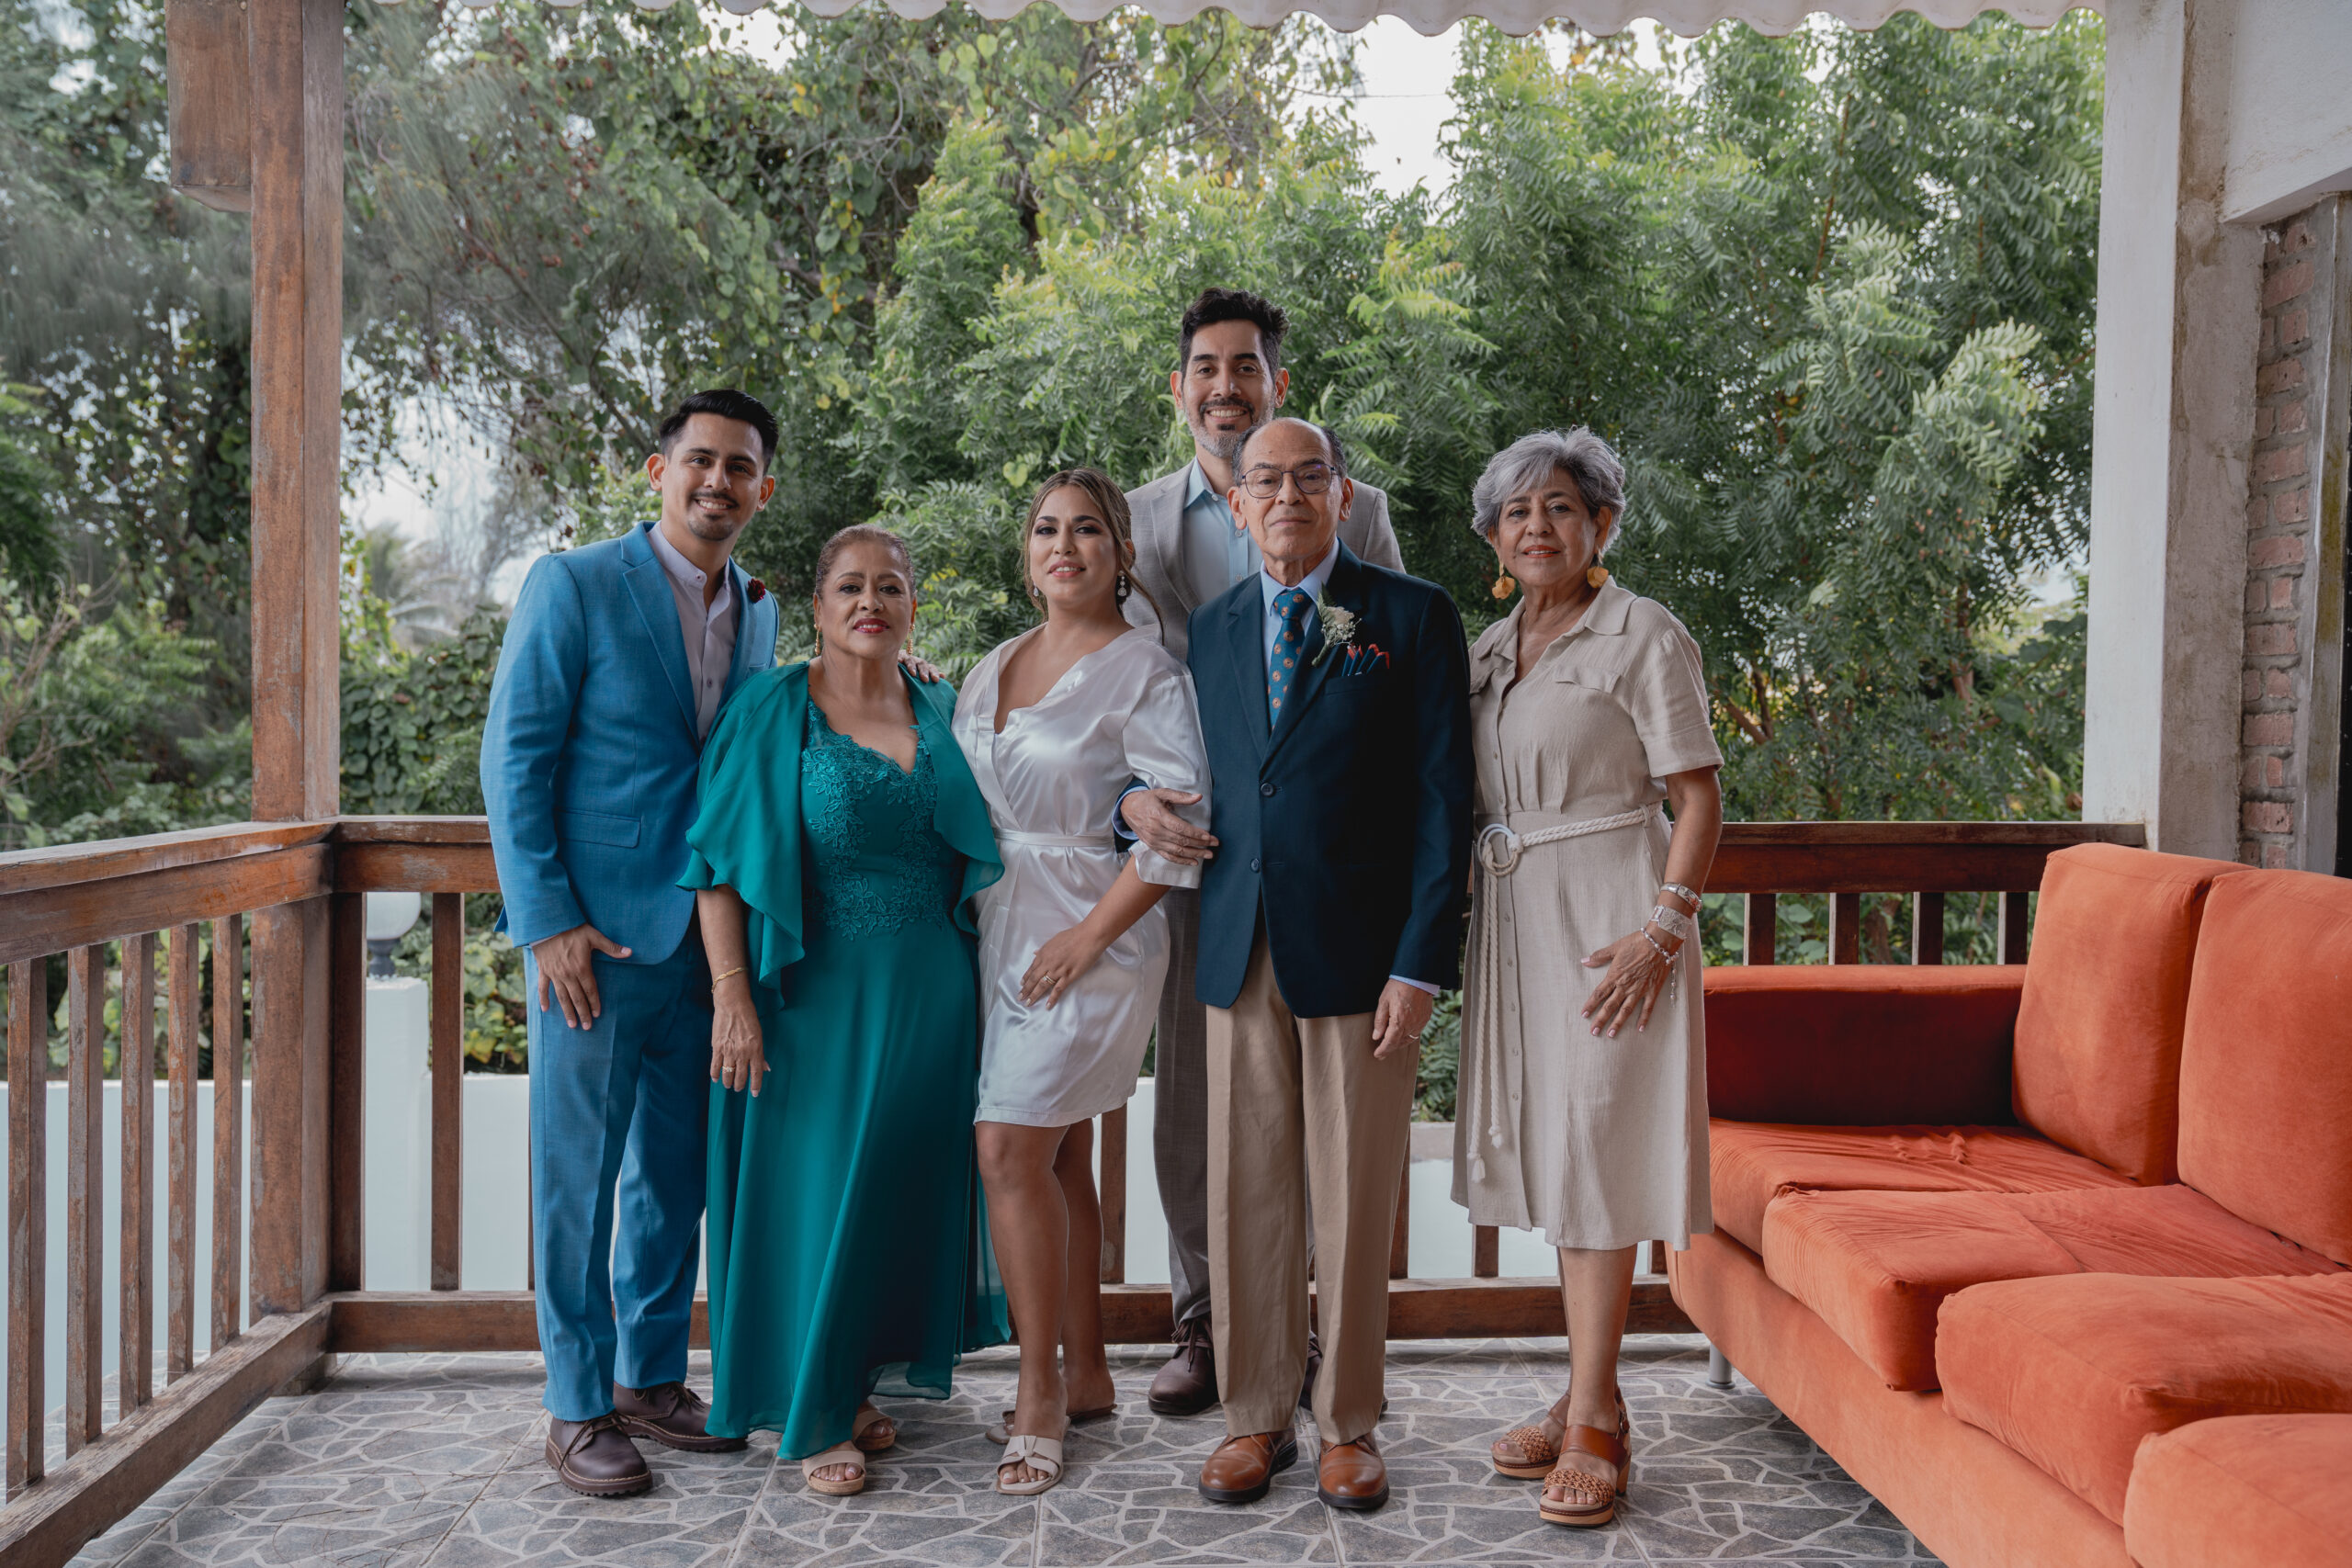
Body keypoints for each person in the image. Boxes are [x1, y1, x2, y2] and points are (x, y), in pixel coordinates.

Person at [1146, 415, 1472, 1513]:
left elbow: (1443, 804)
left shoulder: (1412, 615)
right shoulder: (1213, 627)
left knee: (1352, 1199)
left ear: (1342, 494)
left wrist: (1420, 965)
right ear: (1237, 504)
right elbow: (1177, 762)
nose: (1285, 496)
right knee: (1246, 1198)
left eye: (1307, 477)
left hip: (1365, 959)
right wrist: (1129, 801)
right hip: (1237, 948)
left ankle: (1348, 1423)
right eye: (1264, 481)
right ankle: (1254, 1417)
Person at [481, 389, 783, 1498]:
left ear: (762, 489)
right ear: (660, 471)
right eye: (700, 460)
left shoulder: (759, 610)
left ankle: (648, 1379)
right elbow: (514, 756)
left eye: (739, 468)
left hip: (708, 945)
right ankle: (574, 1404)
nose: (717, 482)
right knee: (579, 1182)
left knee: (674, 1177)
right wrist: (547, 920)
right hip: (595, 944)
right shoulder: (571, 584)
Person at [1116, 287, 1407, 1418]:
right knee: (1198, 1103)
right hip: (1196, 855)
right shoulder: (1135, 522)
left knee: (1330, 1110)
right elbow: (1100, 677)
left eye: (1245, 367)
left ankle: (1319, 1336)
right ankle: (1207, 1320)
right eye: (1206, 367)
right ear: (1178, 387)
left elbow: (1384, 650)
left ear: (1277, 383)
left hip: (1326, 864)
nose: (1225, 386)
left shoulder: (1351, 507)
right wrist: (1130, 796)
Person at [685, 525, 1009, 1497]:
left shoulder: (943, 703)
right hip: (811, 998)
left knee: (890, 1192)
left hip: (934, 997)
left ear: (912, 605)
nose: (872, 602)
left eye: (891, 587)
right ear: (819, 607)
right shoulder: (772, 707)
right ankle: (815, 1408)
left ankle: (852, 1378)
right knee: (818, 1190)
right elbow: (716, 866)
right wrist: (731, 993)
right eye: (851, 588)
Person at [1452, 429, 1724, 1529]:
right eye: (1516, 512)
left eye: (1559, 507)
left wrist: (1663, 930)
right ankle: (1581, 1390)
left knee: (1600, 1156)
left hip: (1616, 923)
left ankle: (1597, 1420)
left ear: (1600, 523)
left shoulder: (1642, 633)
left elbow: (1697, 798)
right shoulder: (1487, 650)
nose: (1536, 527)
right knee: (1561, 1158)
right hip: (1517, 920)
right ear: (1492, 536)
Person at [951, 469, 1211, 1495]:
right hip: (995, 925)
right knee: (1055, 1154)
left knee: (1007, 1145)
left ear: (1122, 554)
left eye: (1088, 529)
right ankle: (1091, 1371)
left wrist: (1085, 940)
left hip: (1094, 932)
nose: (1064, 546)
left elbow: (1179, 831)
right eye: (1047, 530)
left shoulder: (1147, 671)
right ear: (1028, 555)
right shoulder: (993, 664)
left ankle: (1038, 1393)